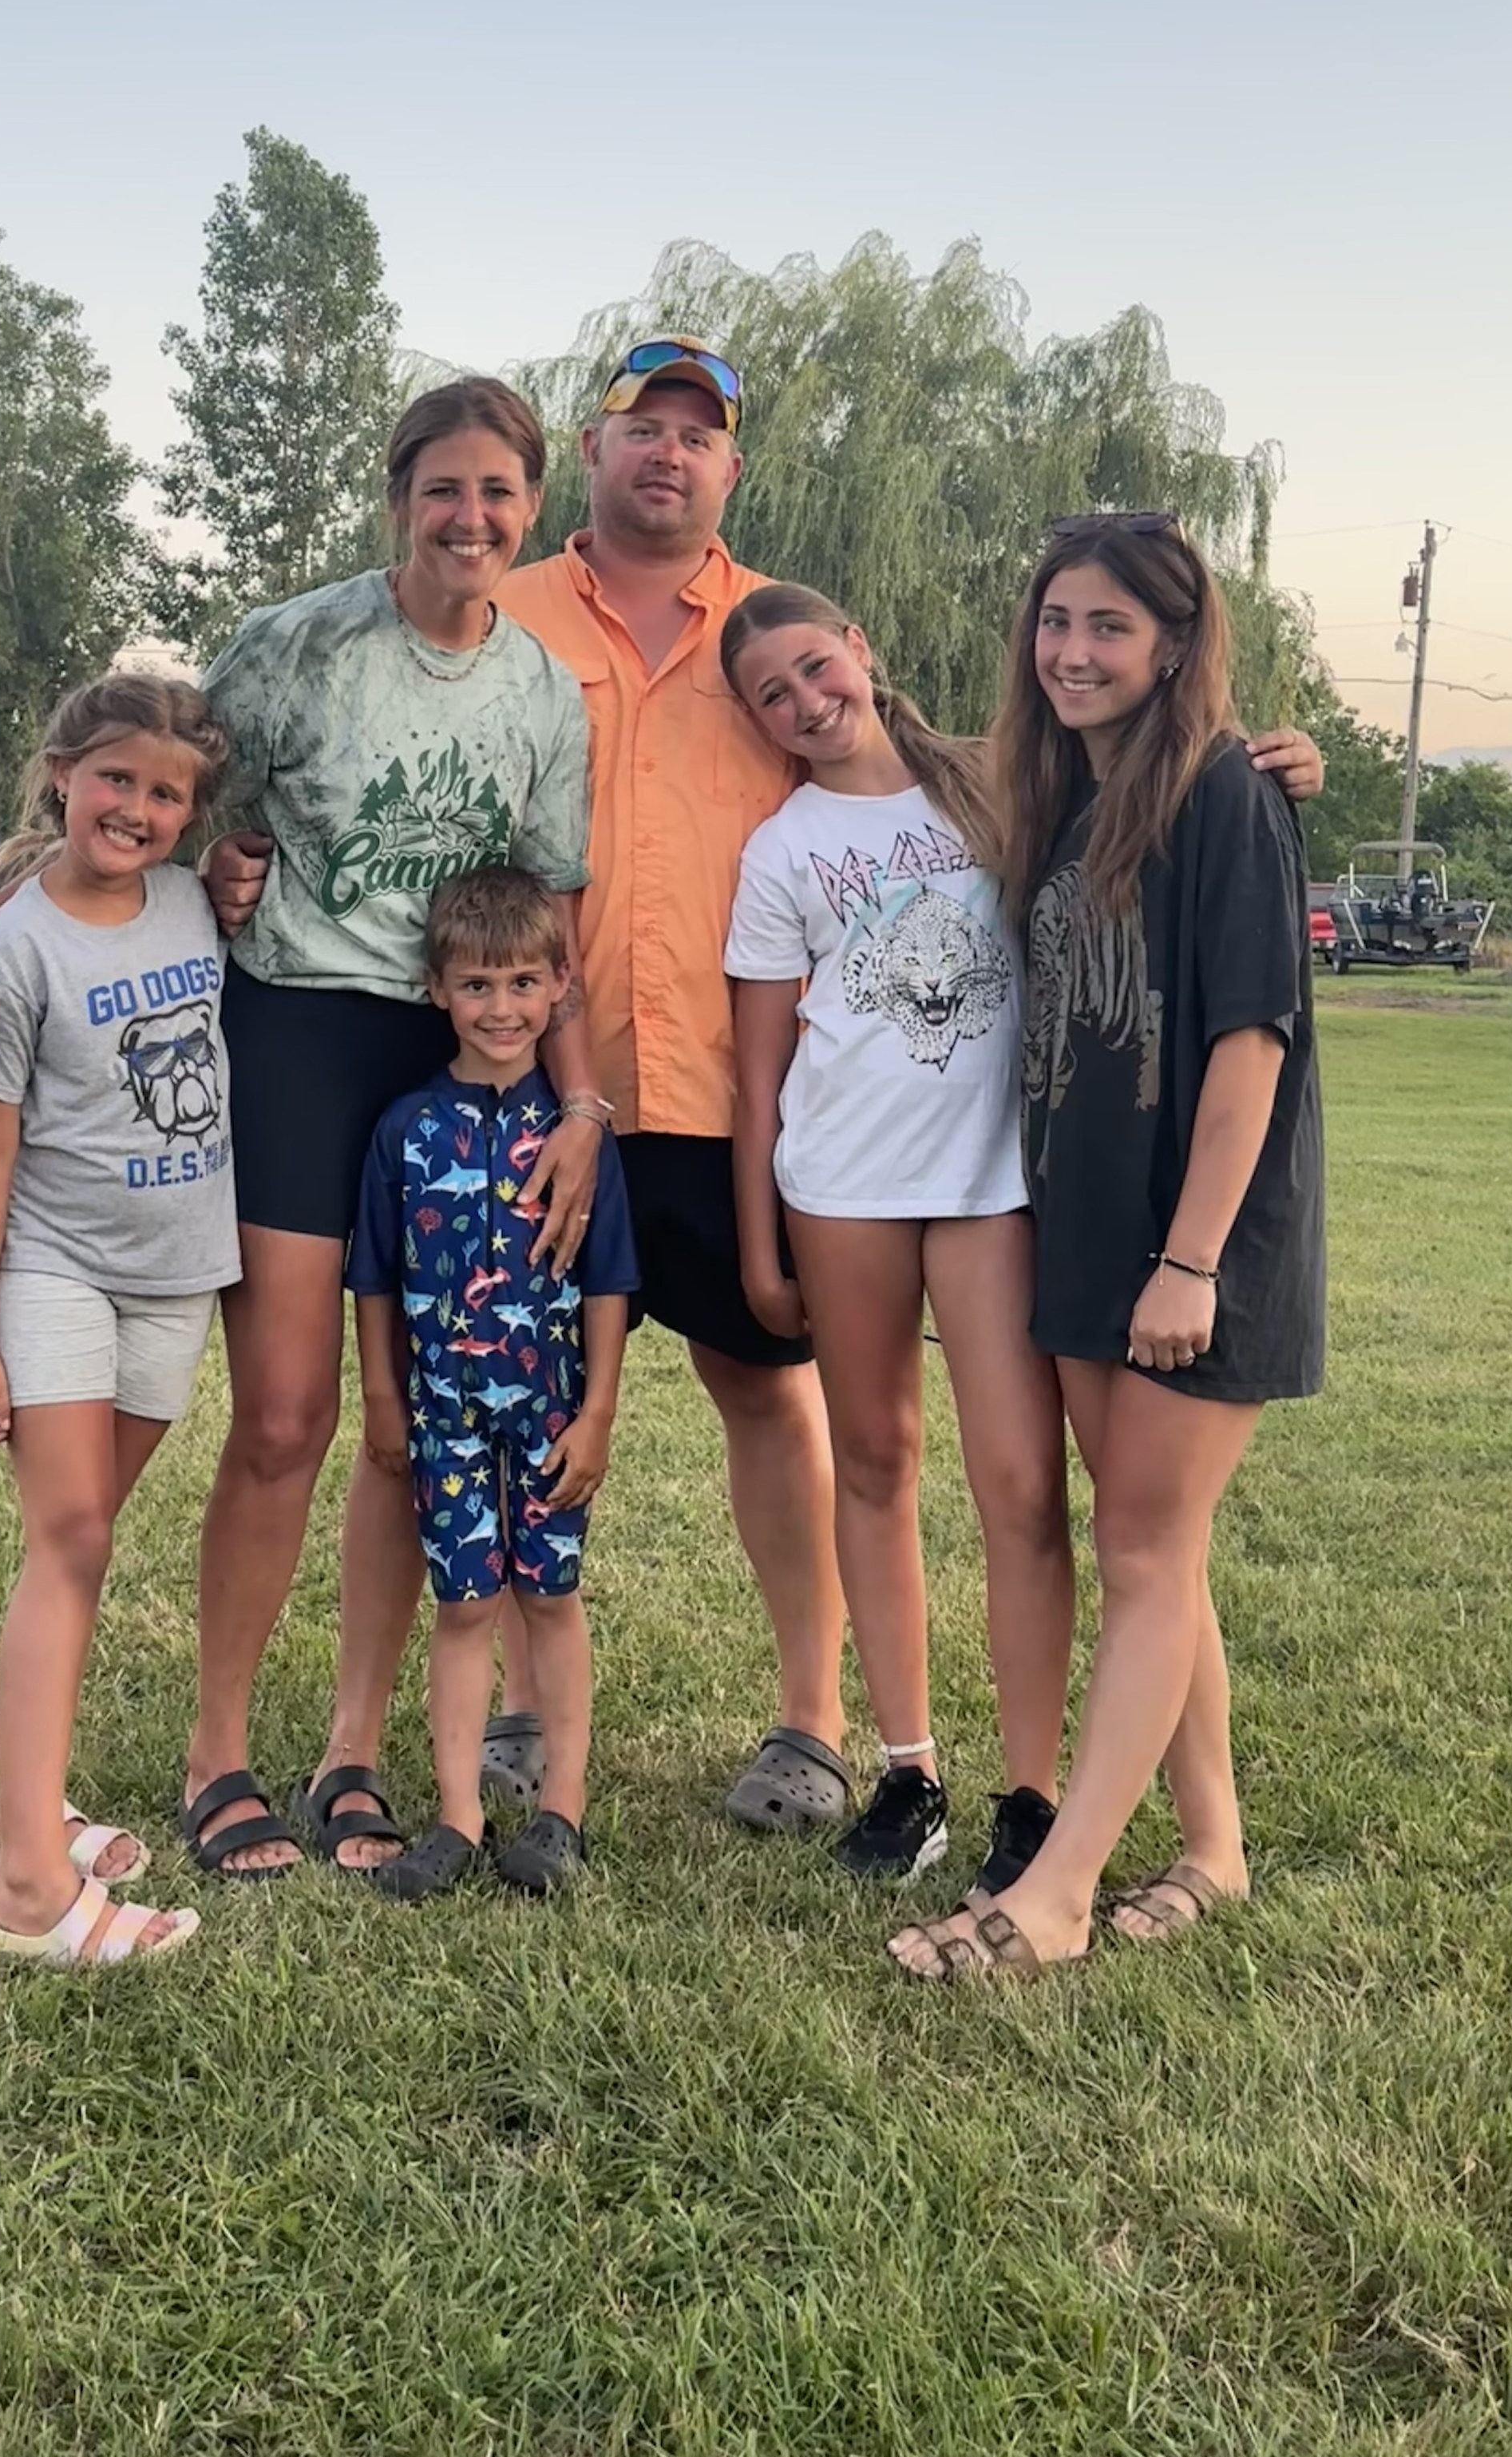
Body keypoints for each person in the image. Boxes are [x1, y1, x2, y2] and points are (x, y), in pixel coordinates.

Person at [216, 335, 1329, 1833]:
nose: (668, 454)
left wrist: (1242, 759)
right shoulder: (504, 612)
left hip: (742, 1104)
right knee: (502, 1390)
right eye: (643, 428)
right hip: (542, 1089)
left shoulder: (776, 636)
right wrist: (218, 861)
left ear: (732, 469)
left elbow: (1034, 786)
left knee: (767, 1389)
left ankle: (816, 1721)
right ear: (590, 457)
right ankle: (512, 1710)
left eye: (700, 436)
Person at [0, 378, 607, 1884]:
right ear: (400, 497)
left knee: (416, 1427)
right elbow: (143, 799)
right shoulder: (297, 644)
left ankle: (352, 1752)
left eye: (498, 492)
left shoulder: (540, 695)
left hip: (453, 1071)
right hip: (297, 1035)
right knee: (291, 1416)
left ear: (532, 507)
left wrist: (577, 1102)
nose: (470, 518)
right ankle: (218, 1753)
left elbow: (553, 923)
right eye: (443, 488)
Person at [887, 513, 1325, 1983]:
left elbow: (1253, 1043)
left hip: (1194, 1244)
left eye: (1110, 627)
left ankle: (1058, 1893)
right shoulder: (1071, 797)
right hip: (1083, 1227)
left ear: (1177, 645)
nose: (1072, 653)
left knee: (1143, 1548)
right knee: (1160, 1552)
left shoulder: (1223, 794)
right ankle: (1213, 1850)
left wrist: (1192, 1260)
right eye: (1055, 622)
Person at [721, 584, 1069, 1897]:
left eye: (817, 668)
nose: (807, 703)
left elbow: (1153, 811)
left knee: (1020, 1484)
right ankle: (908, 1768)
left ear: (859, 649)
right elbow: (760, 1072)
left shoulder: (994, 788)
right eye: (773, 696)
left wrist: (1269, 767)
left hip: (988, 1185)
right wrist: (760, 1247)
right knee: (873, 1460)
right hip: (844, 1187)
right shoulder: (784, 851)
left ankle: (1032, 1793)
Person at [0, 672, 235, 1969]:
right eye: (115, 777)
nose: (136, 807)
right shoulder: (9, 950)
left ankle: (33, 1804)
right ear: (64, 773)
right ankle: (27, 1891)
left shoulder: (196, 900)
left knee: (78, 1542)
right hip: (56, 1269)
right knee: (69, 1536)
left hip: (177, 1274)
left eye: (166, 793)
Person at [346, 867, 639, 1899]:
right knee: (465, 1606)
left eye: (523, 983)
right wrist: (383, 1397)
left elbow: (609, 1281)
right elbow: (374, 1275)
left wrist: (597, 1414)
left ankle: (564, 1812)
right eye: (476, 985)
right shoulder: (405, 1130)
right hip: (445, 1418)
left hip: (552, 1416)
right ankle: (459, 1817)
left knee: (550, 1597)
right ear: (437, 990)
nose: (502, 1008)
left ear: (559, 987)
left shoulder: (578, 1143)